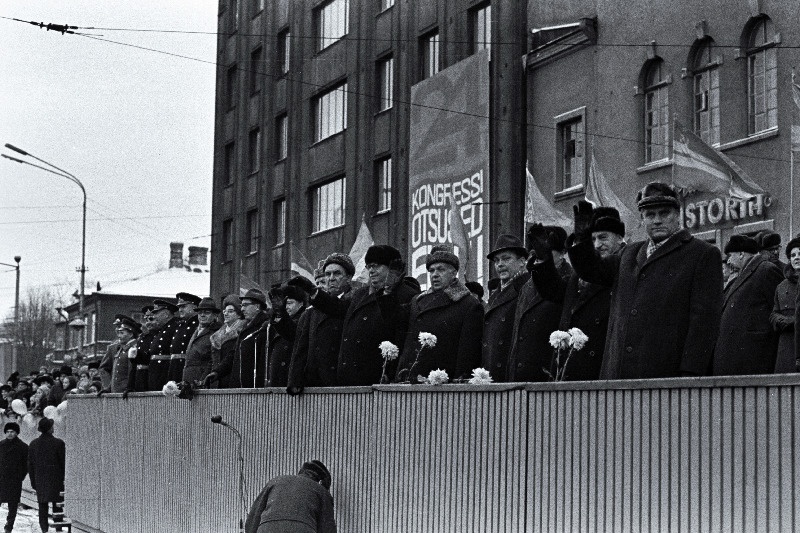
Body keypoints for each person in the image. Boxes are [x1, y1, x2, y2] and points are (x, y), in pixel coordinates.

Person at [568, 182, 723, 379]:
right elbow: (592, 271)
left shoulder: (702, 254)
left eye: (664, 213)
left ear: (678, 215)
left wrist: (690, 373)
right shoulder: (629, 253)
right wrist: (581, 240)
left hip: (666, 375)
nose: (657, 220)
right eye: (650, 215)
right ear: (642, 219)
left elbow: (705, 321)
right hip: (618, 373)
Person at [301, 245, 420, 386]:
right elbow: (338, 308)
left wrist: (388, 293)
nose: (371, 271)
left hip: (377, 377)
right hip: (348, 376)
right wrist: (314, 292)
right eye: (369, 266)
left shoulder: (406, 294)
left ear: (392, 268)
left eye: (376, 266)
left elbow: (399, 326)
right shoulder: (360, 294)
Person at [529, 209, 625, 381]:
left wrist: (581, 244)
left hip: (601, 366)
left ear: (619, 238)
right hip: (570, 364)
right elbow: (555, 292)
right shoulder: (579, 273)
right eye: (592, 239)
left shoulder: (625, 265)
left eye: (603, 237)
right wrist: (544, 259)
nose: (597, 244)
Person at [392, 245, 484, 382]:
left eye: (441, 269)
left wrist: (459, 383)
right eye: (431, 270)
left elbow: (468, 354)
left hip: (441, 384)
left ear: (453, 273)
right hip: (409, 379)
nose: (435, 274)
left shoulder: (468, 304)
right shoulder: (417, 301)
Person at [506, 226, 573, 382]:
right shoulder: (527, 286)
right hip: (520, 375)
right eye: (534, 253)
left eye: (546, 251)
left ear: (563, 253)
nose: (539, 257)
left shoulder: (569, 281)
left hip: (547, 374)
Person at [712, 234, 783, 375]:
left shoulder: (766, 269)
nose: (729, 261)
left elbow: (777, 309)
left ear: (740, 254)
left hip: (754, 354)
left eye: (730, 256)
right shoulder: (744, 273)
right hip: (739, 353)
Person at [287, 253, 356, 393]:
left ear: (349, 278)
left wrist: (314, 292)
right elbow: (301, 347)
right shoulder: (312, 310)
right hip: (314, 383)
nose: (331, 279)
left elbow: (336, 307)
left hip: (341, 382)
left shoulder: (355, 301)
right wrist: (294, 381)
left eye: (337, 274)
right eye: (327, 274)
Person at [481, 234, 529, 382]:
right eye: (496, 261)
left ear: (522, 262)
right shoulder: (496, 294)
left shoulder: (526, 288)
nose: (500, 264)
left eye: (506, 259)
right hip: (493, 372)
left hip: (512, 374)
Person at [245, 460, 336, 533]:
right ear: (321, 481)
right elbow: (327, 528)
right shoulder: (322, 491)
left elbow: (253, 518)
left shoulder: (276, 481)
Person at [209, 289, 270, 388]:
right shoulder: (246, 327)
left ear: (257, 307)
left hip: (253, 386)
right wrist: (217, 372)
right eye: (242, 306)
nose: (242, 309)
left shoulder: (264, 327)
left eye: (245, 305)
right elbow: (233, 355)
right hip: (240, 385)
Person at [27, 418, 65, 533]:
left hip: (40, 480)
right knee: (57, 507)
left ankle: (44, 530)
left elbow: (30, 465)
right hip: (56, 480)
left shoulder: (33, 444)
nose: (53, 428)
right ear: (49, 429)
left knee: (42, 507)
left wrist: (33, 481)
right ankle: (58, 529)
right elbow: (63, 463)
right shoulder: (59, 443)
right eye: (52, 426)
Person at [266, 285, 306, 387]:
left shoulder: (304, 319)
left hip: (292, 380)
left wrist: (280, 312)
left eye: (289, 303)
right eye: (284, 304)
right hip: (278, 379)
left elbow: (292, 332)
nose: (286, 307)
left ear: (301, 303)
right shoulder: (278, 322)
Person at [205, 295, 246, 389]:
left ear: (239, 314)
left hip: (231, 380)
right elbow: (212, 361)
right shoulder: (216, 336)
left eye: (230, 311)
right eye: (225, 311)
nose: (226, 314)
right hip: (215, 380)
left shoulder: (242, 332)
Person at [774, 236, 800, 372]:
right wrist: (781, 320)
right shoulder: (782, 286)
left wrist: (794, 321)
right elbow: (774, 312)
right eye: (793, 255)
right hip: (786, 344)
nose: (796, 258)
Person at [182, 297, 222, 384]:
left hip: (202, 382)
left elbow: (213, 361)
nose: (202, 315)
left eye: (207, 313)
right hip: (189, 380)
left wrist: (202, 381)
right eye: (200, 313)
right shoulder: (197, 331)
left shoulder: (217, 332)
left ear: (215, 315)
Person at [100, 316, 140, 393]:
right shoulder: (117, 348)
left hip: (126, 392)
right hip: (116, 391)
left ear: (131, 334)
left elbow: (132, 371)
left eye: (121, 332)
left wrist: (129, 388)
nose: (118, 335)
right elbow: (103, 369)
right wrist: (108, 387)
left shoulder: (134, 348)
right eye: (118, 330)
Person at [1, 421, 28, 533]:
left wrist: (20, 476)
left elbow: (26, 465)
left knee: (13, 505)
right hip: (1, 479)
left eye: (12, 431)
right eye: (7, 432)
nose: (10, 434)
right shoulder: (1, 445)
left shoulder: (23, 447)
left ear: (17, 433)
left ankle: (9, 526)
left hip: (14, 480)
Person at [147, 299, 180, 390]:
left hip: (165, 372)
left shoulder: (175, 327)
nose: (154, 316)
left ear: (166, 314)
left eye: (157, 313)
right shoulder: (161, 329)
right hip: (156, 372)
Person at [169, 292, 202, 382]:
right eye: (179, 307)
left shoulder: (198, 325)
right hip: (175, 368)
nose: (180, 310)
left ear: (194, 306)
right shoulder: (181, 325)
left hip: (187, 368)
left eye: (183, 306)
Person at [126, 305, 157, 394]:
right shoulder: (142, 337)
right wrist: (130, 386)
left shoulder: (156, 336)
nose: (148, 322)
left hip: (150, 380)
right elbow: (135, 365)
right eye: (146, 319)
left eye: (151, 319)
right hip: (139, 380)